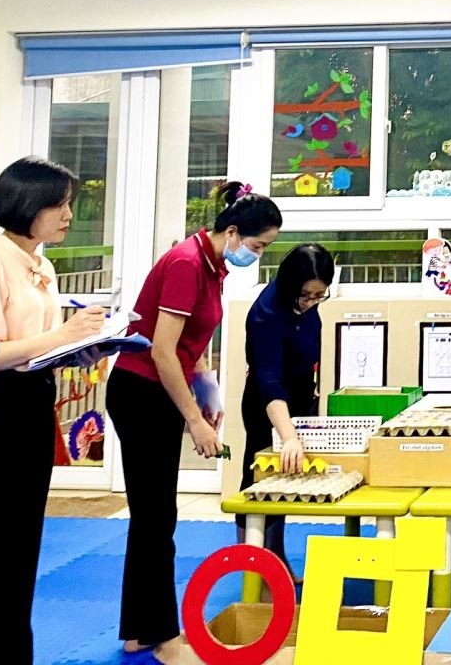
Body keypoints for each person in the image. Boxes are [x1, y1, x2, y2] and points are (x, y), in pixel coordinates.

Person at [0, 157, 108, 664]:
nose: (68, 215)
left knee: (20, 550)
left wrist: (79, 349)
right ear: (27, 205)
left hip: (32, 406)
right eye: (59, 204)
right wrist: (61, 336)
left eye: (69, 203)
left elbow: (35, 349)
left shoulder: (41, 265)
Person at [107, 181, 282, 661]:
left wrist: (206, 390)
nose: (258, 256)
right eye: (257, 246)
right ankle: (154, 630)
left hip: (162, 388)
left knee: (157, 515)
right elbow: (162, 352)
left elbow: (190, 343)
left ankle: (143, 627)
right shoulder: (187, 263)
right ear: (233, 232)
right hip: (141, 391)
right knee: (154, 515)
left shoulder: (212, 264)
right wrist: (194, 419)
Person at [236, 242, 336, 568]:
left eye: (319, 296)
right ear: (291, 285)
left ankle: (275, 558)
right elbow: (269, 381)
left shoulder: (307, 305)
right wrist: (288, 435)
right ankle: (253, 565)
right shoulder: (265, 314)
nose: (310, 303)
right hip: (267, 402)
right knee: (260, 479)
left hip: (300, 396)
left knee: (287, 480)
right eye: (305, 295)